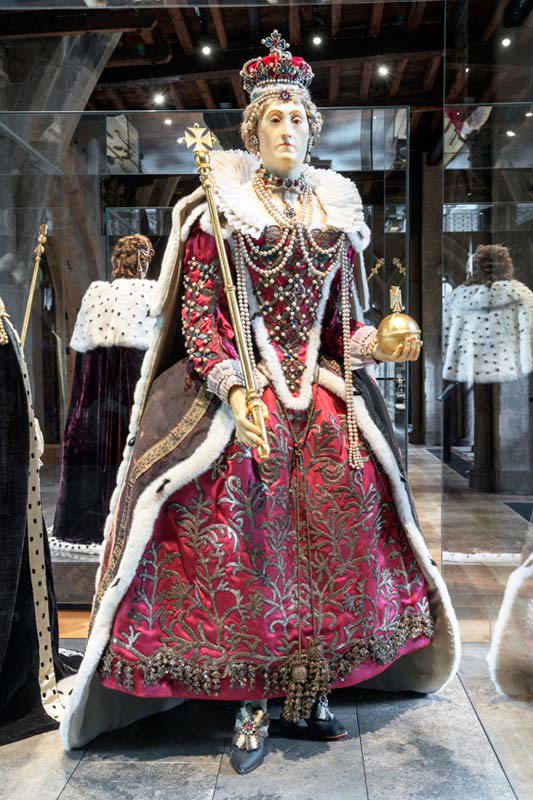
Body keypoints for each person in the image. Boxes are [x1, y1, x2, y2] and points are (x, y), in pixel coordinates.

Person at [61, 31, 460, 774]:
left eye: (297, 119)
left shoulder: (333, 218)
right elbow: (201, 323)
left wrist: (380, 343)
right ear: (252, 131)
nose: (286, 130)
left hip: (320, 395)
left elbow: (340, 330)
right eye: (273, 119)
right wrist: (235, 387)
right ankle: (248, 693)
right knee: (237, 513)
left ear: (313, 129)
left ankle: (310, 684)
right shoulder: (219, 213)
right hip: (239, 390)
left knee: (350, 498)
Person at [49, 235, 155, 552]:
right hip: (134, 385)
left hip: (96, 398)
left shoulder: (96, 295)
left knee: (97, 448)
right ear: (141, 262)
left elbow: (83, 361)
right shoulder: (150, 293)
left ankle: (90, 523)